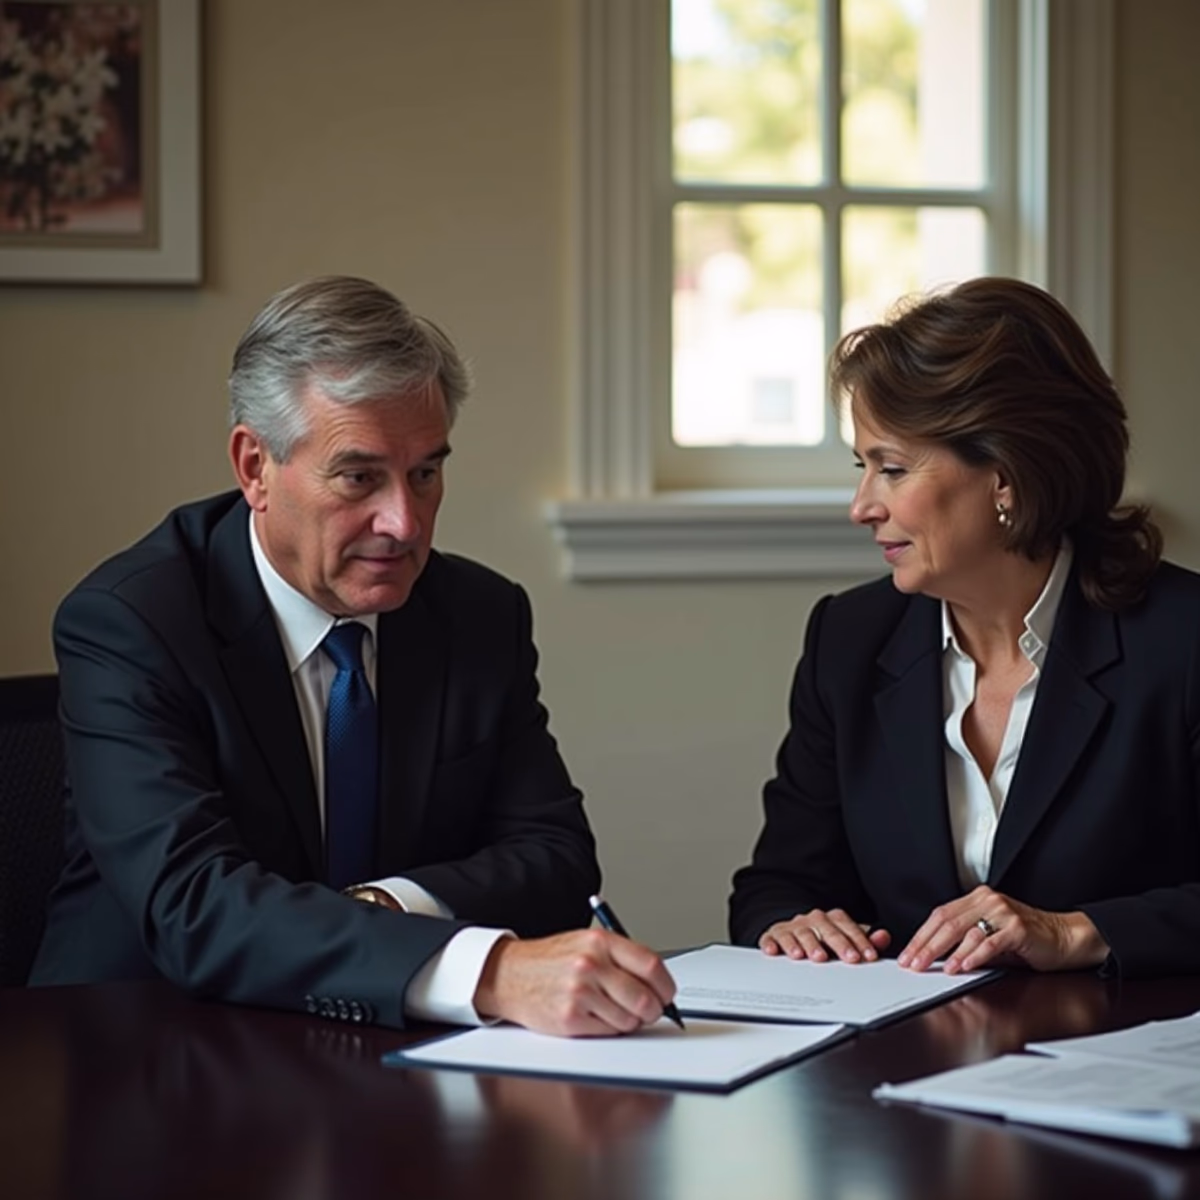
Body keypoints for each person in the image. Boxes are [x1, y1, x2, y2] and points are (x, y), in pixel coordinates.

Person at [31, 275, 675, 1036]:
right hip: (145, 1044)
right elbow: (194, 906)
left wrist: (383, 907)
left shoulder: (477, 614)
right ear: (254, 467)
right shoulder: (133, 623)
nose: (404, 523)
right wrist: (487, 971)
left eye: (425, 473)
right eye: (359, 477)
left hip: (384, 1047)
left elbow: (557, 860)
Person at [730, 277, 1200, 980]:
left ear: (1006, 476)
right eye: (863, 468)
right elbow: (777, 884)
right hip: (902, 1042)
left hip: (1128, 1041)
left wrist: (1075, 932)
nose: (862, 506)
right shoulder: (848, 639)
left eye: (892, 469)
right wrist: (795, 924)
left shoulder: (1182, 640)